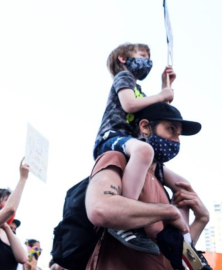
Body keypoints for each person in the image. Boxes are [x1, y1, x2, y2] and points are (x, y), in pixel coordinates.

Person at [93, 42, 193, 254]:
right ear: (123, 58)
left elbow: (153, 110)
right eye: (142, 55)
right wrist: (161, 95)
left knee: (182, 184)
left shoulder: (138, 89)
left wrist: (165, 87)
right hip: (113, 138)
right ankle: (124, 219)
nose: (148, 60)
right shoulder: (124, 77)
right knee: (145, 150)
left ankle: (185, 243)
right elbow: (130, 105)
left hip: (131, 144)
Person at [85, 102, 210, 269]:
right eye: (171, 129)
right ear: (144, 126)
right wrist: (168, 212)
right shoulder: (118, 159)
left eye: (179, 134)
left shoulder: (164, 186)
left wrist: (201, 220)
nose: (176, 140)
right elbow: (100, 209)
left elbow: (177, 255)